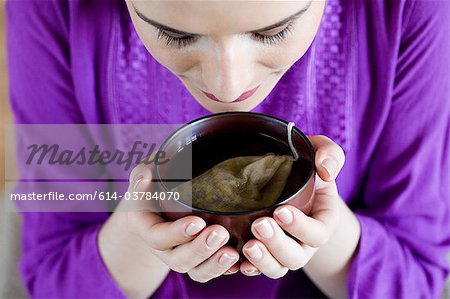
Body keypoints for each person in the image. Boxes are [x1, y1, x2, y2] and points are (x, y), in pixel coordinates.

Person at [5, 0, 450, 298]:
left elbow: (416, 279)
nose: (229, 89)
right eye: (174, 35)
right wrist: (140, 235)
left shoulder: (408, 12)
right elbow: (54, 278)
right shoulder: (53, 10)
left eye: (275, 32)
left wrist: (322, 229)